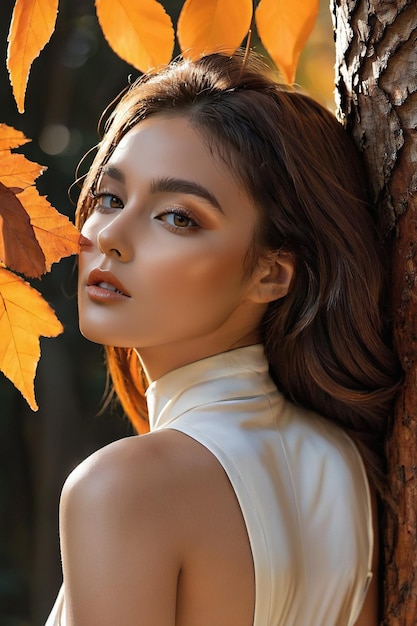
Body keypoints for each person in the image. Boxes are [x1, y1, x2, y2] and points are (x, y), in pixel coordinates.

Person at [45, 50, 400, 626]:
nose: (109, 235)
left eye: (178, 217)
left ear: (271, 272)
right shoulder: (351, 468)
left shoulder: (122, 487)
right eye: (111, 198)